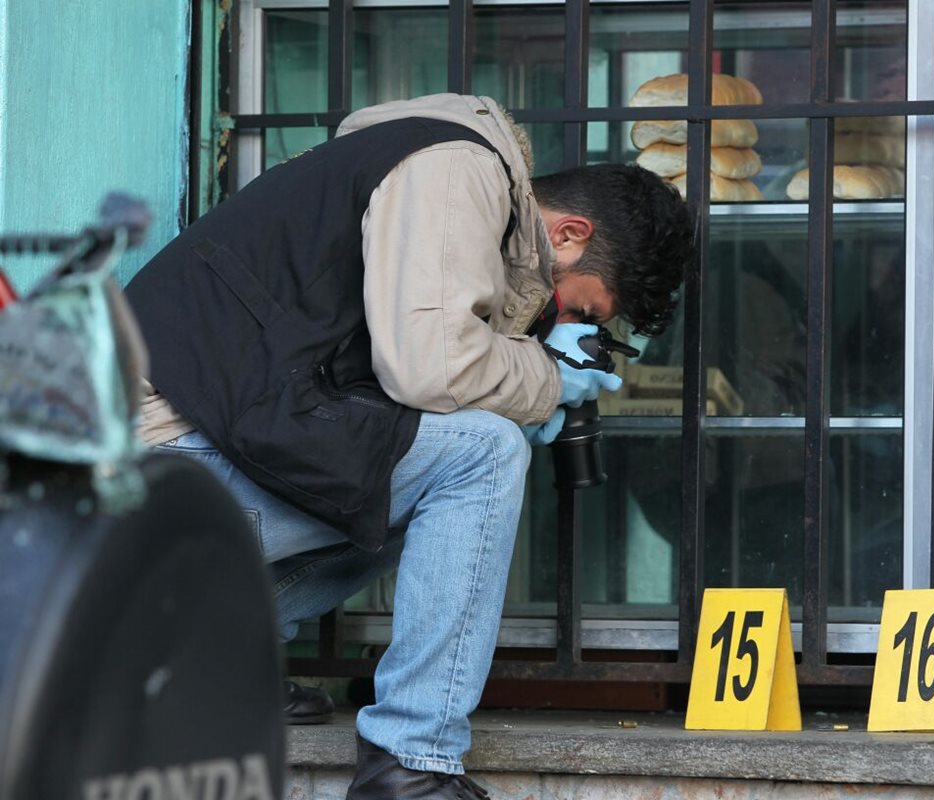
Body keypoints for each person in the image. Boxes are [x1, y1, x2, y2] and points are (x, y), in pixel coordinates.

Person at [123, 93, 693, 799]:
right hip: (152, 466)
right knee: (481, 452)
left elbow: (393, 389)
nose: (562, 319)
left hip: (184, 455)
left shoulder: (434, 173)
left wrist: (524, 363)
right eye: (581, 309)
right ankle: (411, 758)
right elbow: (431, 366)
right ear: (570, 235)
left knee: (416, 467)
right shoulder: (456, 170)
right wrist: (544, 378)